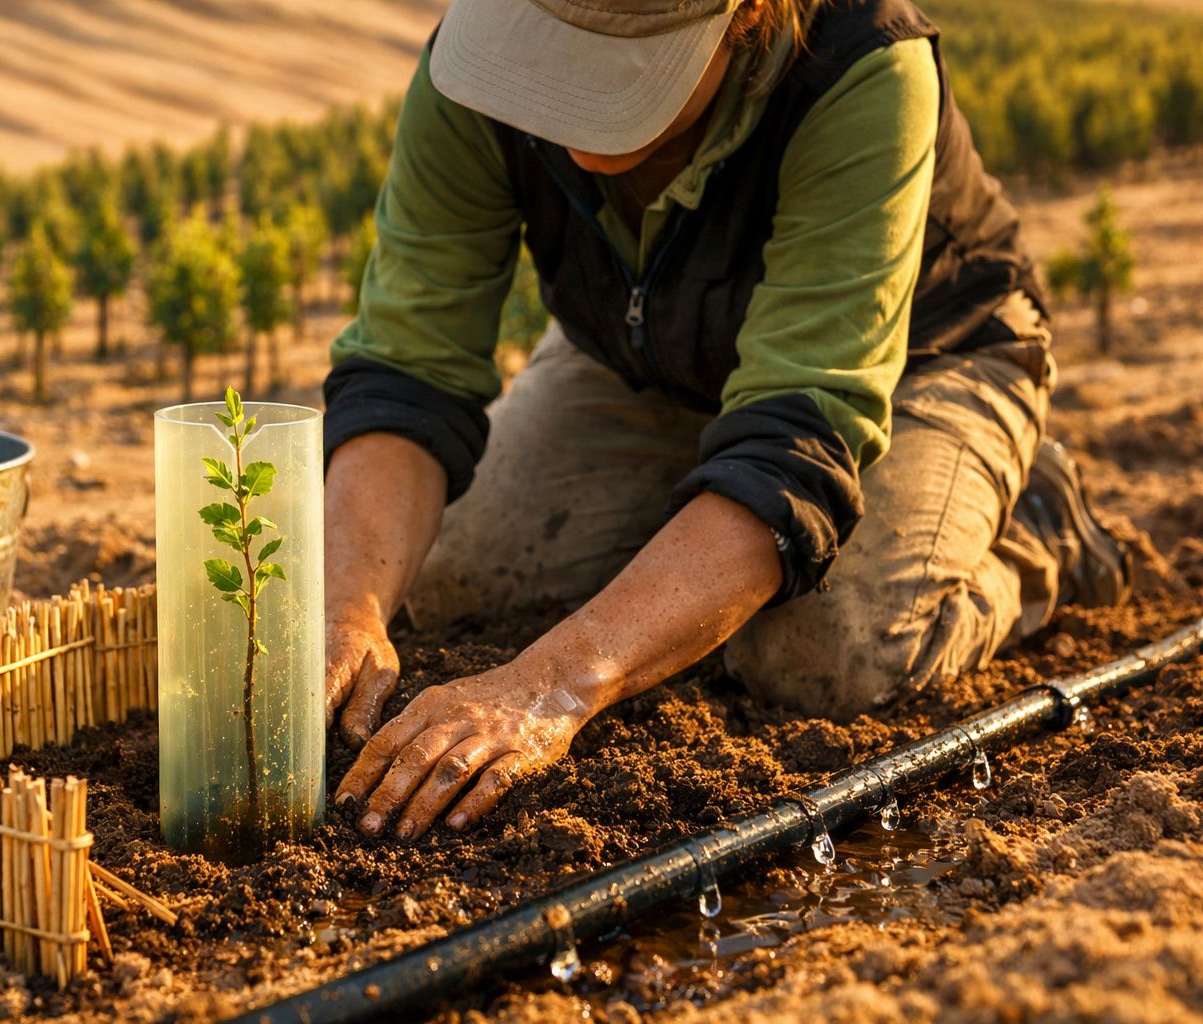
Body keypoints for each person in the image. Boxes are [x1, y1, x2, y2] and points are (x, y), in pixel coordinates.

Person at [320, 0, 1131, 842]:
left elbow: (794, 444)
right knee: (454, 575)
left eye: (616, 67)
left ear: (745, 14)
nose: (566, 108)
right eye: (554, 55)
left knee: (821, 654)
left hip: (922, 360)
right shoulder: (476, 67)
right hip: (653, 362)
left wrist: (553, 684)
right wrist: (348, 612)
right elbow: (408, 365)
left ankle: (1037, 524)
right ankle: (695, 523)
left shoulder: (861, 63)